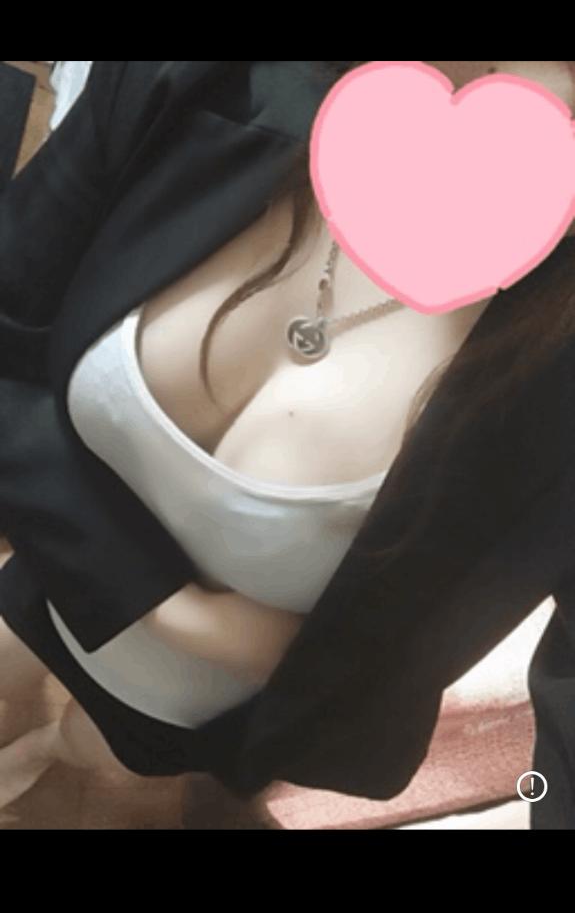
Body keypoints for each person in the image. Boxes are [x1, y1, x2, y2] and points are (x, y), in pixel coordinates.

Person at [0, 61, 574, 823]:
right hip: (36, 595)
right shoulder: (196, 78)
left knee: (113, 774)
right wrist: (168, 607)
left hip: (211, 739)